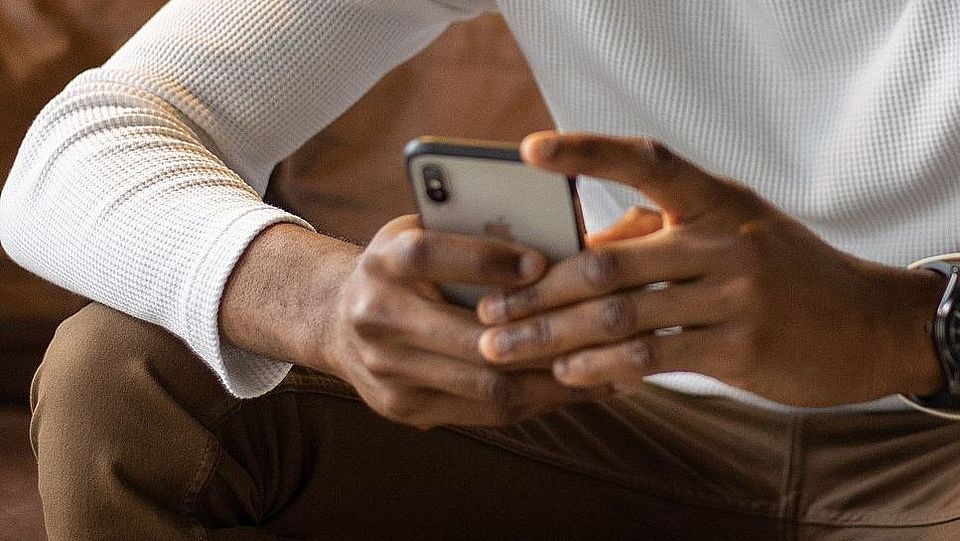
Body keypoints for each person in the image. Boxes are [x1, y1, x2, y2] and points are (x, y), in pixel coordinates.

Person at [3, 0, 960, 539]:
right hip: (621, 411)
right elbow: (86, 142)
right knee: (123, 373)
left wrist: (904, 327)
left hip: (941, 448)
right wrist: (319, 298)